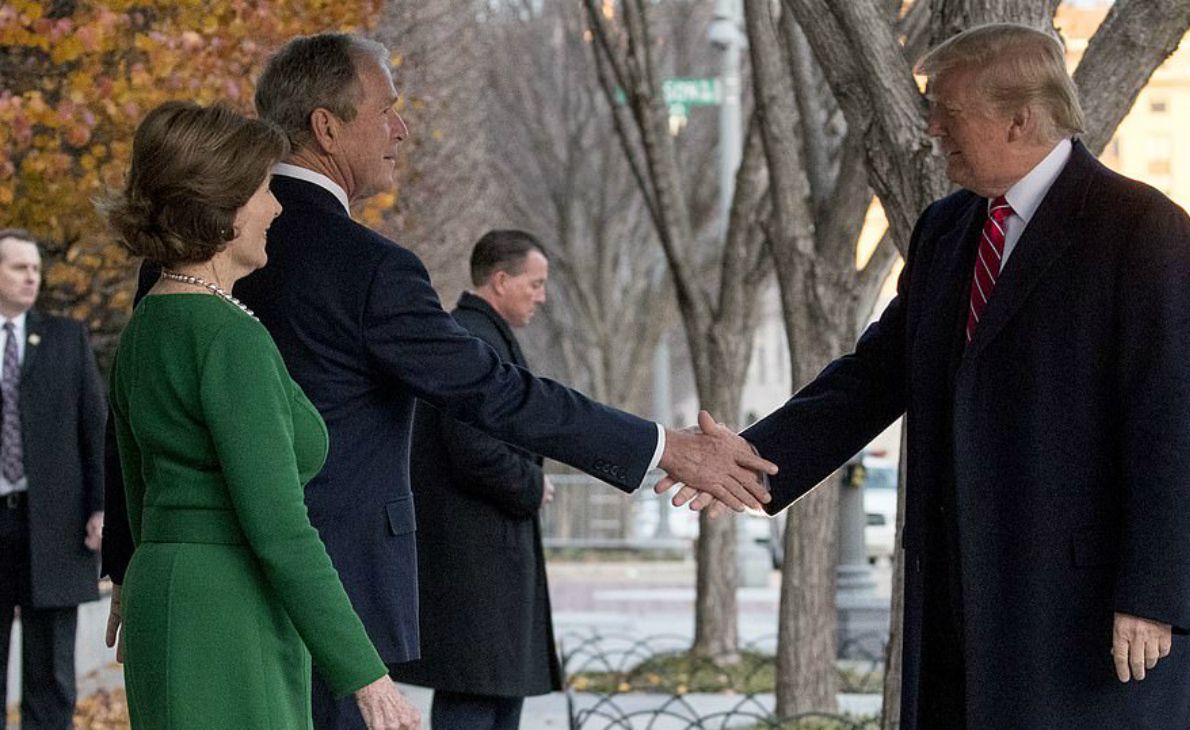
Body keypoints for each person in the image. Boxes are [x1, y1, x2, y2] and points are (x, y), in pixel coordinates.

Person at [100, 33, 775, 729]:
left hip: (186, 591)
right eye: (387, 109)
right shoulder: (366, 267)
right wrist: (662, 447)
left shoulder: (173, 266)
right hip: (327, 595)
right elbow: (493, 391)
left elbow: (134, 429)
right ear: (327, 127)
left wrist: (131, 561)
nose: (402, 128)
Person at [670, 23, 1190, 729]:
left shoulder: (1142, 228)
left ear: (1020, 116)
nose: (929, 128)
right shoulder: (945, 229)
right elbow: (874, 376)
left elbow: (1182, 429)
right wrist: (747, 460)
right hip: (961, 605)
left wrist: (1154, 592)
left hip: (1087, 613)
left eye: (948, 111)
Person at [101, 101, 420, 729]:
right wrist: (366, 675)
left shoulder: (150, 321)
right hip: (229, 607)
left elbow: (137, 480)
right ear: (220, 207)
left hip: (163, 592)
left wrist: (130, 580)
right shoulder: (228, 338)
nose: (275, 208)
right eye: (262, 191)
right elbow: (280, 530)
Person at [389, 230, 561, 728]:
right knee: (476, 702)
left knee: (493, 700)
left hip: (484, 564)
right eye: (535, 283)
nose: (542, 296)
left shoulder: (478, 335)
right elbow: (471, 448)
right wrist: (533, 485)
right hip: (476, 567)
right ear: (501, 280)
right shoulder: (470, 339)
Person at [0, 229, 104, 729]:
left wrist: (100, 506)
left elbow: (94, 427)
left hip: (54, 528)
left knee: (51, 675)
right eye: (19, 267)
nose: (31, 276)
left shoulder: (67, 339)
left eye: (36, 268)